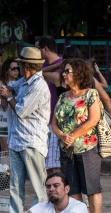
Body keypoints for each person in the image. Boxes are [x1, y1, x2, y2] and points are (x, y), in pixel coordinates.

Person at [51, 58, 104, 213]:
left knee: (91, 187)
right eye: (64, 71)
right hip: (66, 148)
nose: (64, 74)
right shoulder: (62, 97)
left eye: (68, 71)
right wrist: (62, 135)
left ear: (78, 74)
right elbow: (54, 123)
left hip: (87, 147)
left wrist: (74, 135)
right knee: (72, 188)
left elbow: (93, 120)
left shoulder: (90, 94)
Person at [0, 47, 51, 213]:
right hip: (17, 140)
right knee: (14, 185)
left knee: (38, 187)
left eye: (20, 65)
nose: (18, 69)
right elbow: (10, 86)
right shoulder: (24, 81)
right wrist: (7, 91)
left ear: (27, 66)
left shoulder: (38, 85)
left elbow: (21, 110)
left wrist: (8, 96)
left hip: (32, 141)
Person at [35, 36, 63, 176]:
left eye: (37, 49)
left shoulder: (63, 67)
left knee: (55, 164)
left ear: (45, 49)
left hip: (56, 120)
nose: (36, 52)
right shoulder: (43, 66)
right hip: (41, 120)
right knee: (44, 162)